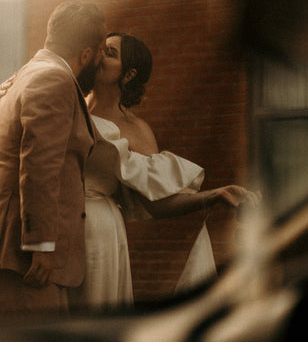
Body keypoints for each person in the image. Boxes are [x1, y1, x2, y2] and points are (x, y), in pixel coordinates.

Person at [71, 32, 259, 311]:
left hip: (97, 232)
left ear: (128, 74)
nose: (99, 56)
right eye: (100, 49)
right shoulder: (68, 104)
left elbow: (156, 203)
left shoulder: (136, 131)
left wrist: (215, 195)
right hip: (57, 221)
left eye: (110, 53)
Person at [0, 1, 106, 320]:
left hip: (9, 248)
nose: (100, 62)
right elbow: (39, 167)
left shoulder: (26, 74)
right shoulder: (54, 79)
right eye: (100, 53)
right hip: (23, 255)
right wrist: (41, 246)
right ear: (86, 54)